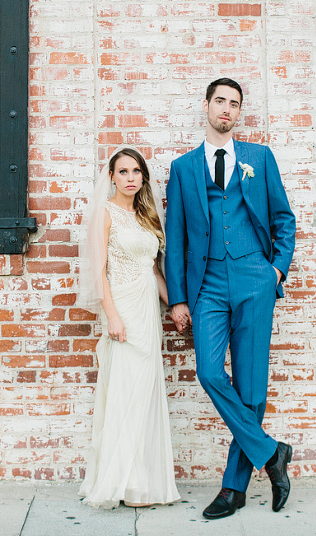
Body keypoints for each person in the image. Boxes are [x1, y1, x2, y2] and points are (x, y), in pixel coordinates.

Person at [164, 78, 296, 519]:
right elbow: (177, 238)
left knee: (251, 384)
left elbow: (284, 218)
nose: (226, 109)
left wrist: (275, 270)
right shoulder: (183, 168)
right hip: (208, 285)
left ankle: (233, 489)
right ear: (206, 105)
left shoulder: (259, 158)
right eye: (220, 101)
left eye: (234, 104)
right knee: (208, 371)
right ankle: (271, 452)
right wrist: (178, 298)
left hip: (254, 278)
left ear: (239, 113)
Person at [77, 147, 181, 510]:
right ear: (112, 177)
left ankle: (142, 483)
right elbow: (99, 271)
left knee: (146, 392)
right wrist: (112, 316)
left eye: (136, 171)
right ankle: (117, 480)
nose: (131, 177)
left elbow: (153, 271)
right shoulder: (104, 214)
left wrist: (177, 306)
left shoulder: (146, 215)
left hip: (147, 312)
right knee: (125, 392)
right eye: (123, 171)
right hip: (122, 310)